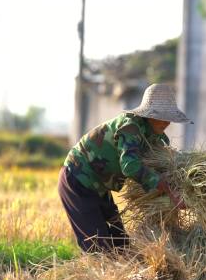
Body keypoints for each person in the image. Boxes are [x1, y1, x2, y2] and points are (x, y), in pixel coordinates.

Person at [58, 83, 192, 253]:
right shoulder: (131, 127)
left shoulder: (155, 137)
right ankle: (98, 278)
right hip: (77, 180)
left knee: (121, 244)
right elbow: (130, 166)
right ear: (149, 114)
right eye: (161, 116)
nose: (166, 122)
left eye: (169, 117)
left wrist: (178, 193)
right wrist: (164, 187)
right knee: (98, 248)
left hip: (99, 187)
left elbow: (163, 167)